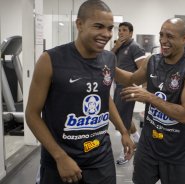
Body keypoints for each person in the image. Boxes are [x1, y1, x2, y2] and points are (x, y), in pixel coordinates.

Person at [25, 1, 134, 184]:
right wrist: (60, 157)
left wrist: (123, 131)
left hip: (100, 157)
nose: (106, 34)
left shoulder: (109, 58)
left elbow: (104, 98)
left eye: (109, 28)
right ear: (79, 24)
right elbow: (32, 114)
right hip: (61, 159)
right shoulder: (50, 60)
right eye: (98, 26)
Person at [115, 18, 185, 184]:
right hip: (148, 146)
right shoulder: (152, 61)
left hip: (178, 152)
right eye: (161, 35)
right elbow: (131, 78)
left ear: (184, 39)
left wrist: (149, 97)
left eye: (169, 36)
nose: (163, 41)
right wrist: (108, 65)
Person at [111, 22, 146, 165]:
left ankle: (126, 152)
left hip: (128, 88)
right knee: (123, 117)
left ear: (131, 33)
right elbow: (106, 59)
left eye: (124, 30)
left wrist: (143, 89)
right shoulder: (119, 46)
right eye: (119, 30)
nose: (121, 32)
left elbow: (143, 70)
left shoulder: (135, 47)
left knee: (122, 122)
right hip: (117, 86)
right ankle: (137, 140)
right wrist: (116, 47)